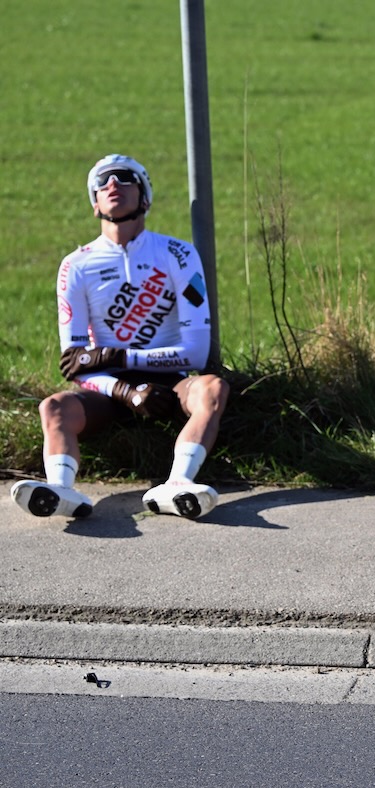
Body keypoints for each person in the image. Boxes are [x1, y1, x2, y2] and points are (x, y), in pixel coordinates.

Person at [10, 154, 229, 521]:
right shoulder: (75, 266)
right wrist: (126, 390)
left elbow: (195, 352)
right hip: (108, 389)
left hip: (172, 381)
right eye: (102, 181)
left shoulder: (178, 254)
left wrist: (119, 356)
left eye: (125, 178)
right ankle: (61, 490)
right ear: (95, 204)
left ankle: (176, 485)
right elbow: (76, 363)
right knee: (54, 407)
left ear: (144, 197)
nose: (112, 185)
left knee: (213, 389)